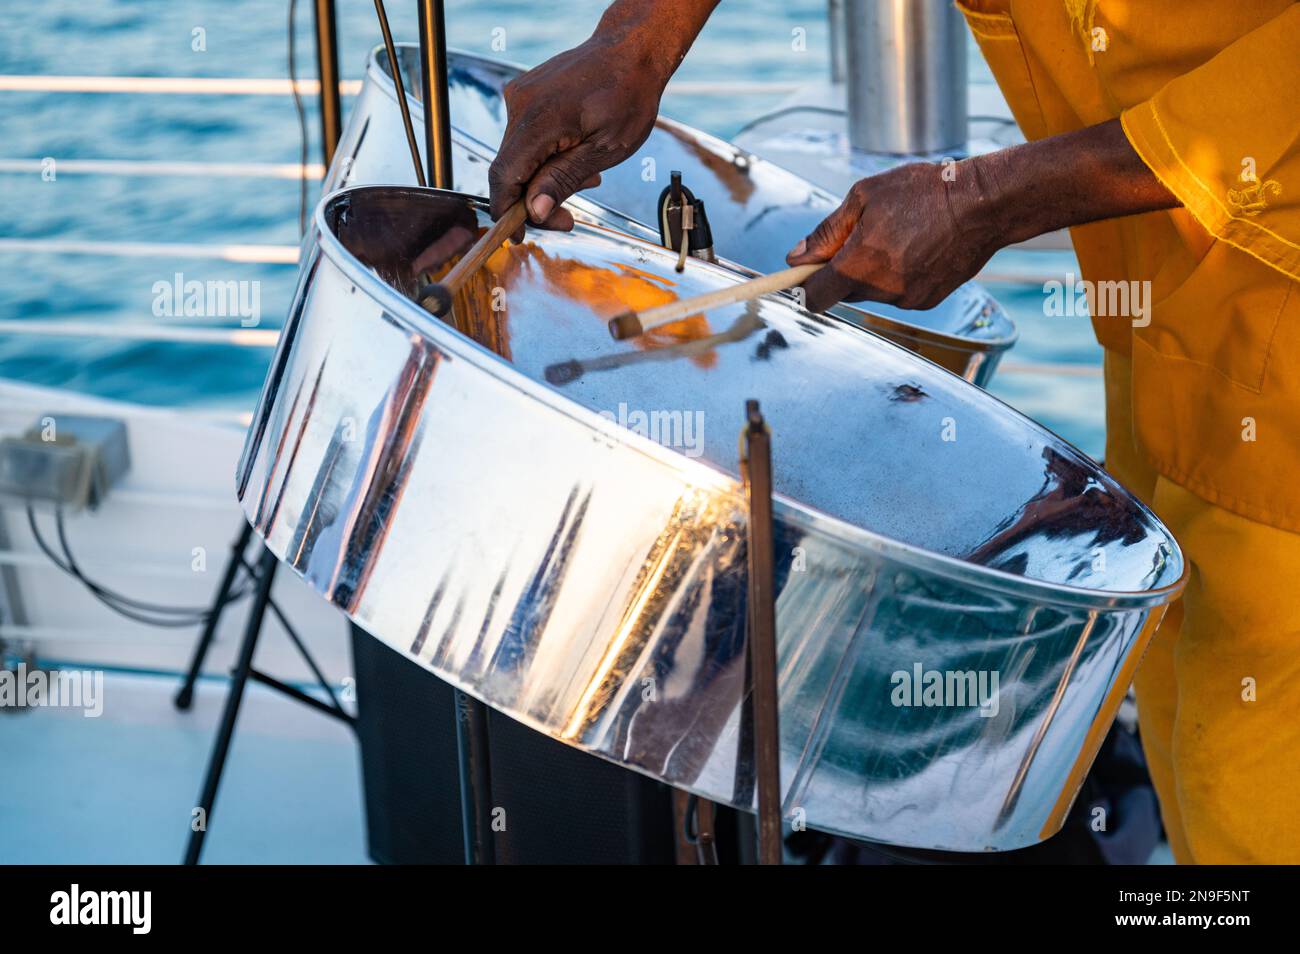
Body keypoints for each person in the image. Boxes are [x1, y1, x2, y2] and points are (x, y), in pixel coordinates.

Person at [487, 0, 1300, 864]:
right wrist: (639, 40)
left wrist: (986, 199)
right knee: (1192, 759)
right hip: (1170, 323)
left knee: (1248, 801)